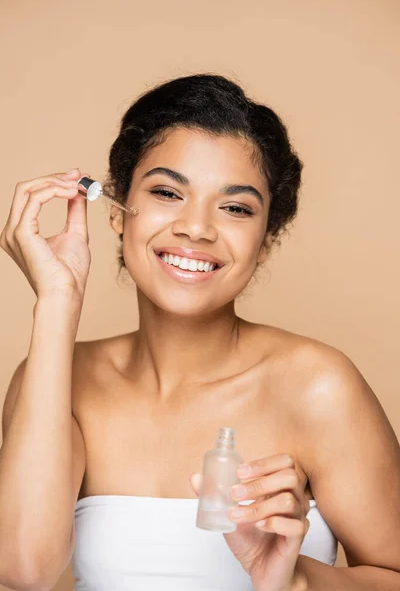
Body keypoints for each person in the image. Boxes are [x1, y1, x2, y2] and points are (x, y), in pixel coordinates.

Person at [0, 74, 399, 591]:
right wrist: (56, 300)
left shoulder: (319, 385)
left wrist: (295, 579)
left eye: (235, 207)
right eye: (167, 192)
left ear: (267, 240)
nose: (197, 228)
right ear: (119, 213)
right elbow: (22, 569)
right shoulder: (57, 378)